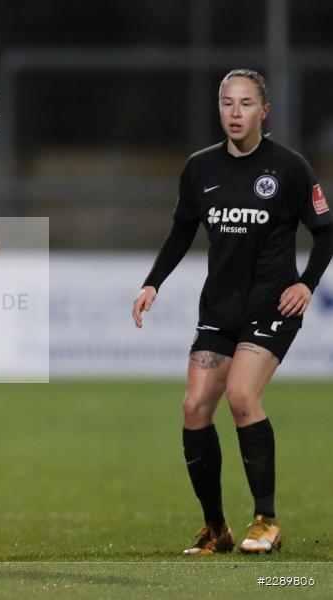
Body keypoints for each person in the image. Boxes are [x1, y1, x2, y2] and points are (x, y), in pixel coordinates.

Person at [132, 69, 333, 556]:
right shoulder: (201, 169)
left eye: (245, 104)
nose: (235, 113)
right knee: (195, 407)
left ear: (265, 112)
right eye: (227, 103)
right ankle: (215, 528)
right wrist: (152, 281)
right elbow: (182, 230)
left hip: (272, 305)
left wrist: (307, 285)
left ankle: (266, 520)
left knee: (242, 397)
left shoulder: (289, 168)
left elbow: (325, 231)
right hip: (219, 307)